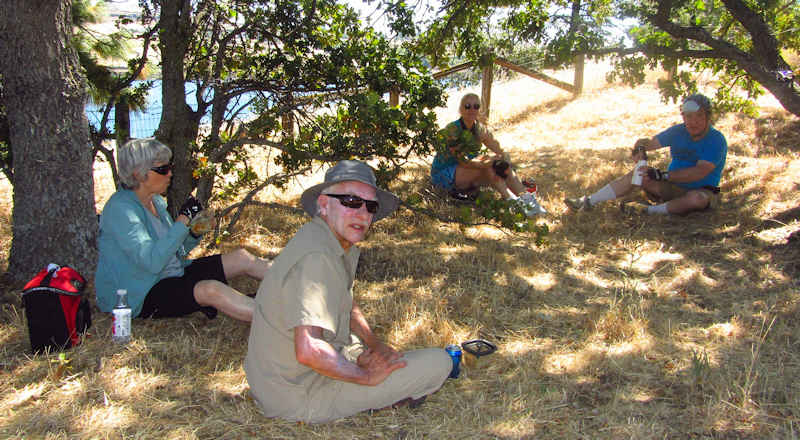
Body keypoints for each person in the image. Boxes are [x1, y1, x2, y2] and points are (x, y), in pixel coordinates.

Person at [245, 160, 452, 423]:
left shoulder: (334, 242)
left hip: (289, 377)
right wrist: (366, 377)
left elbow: (347, 303)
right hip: (299, 396)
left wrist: (375, 345)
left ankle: (367, 378)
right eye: (351, 201)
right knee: (439, 362)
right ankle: (378, 395)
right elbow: (308, 349)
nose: (363, 213)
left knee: (370, 354)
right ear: (323, 204)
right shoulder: (316, 258)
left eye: (370, 206)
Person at [95, 138, 271, 322]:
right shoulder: (120, 209)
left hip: (172, 274)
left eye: (169, 167)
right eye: (162, 169)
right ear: (138, 174)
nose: (170, 173)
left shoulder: (155, 201)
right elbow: (153, 262)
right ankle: (281, 320)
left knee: (241, 257)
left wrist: (195, 232)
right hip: (142, 293)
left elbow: (175, 252)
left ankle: (299, 284)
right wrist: (182, 220)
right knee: (210, 290)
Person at [564, 93, 727, 216]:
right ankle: (588, 202)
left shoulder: (716, 140)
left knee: (697, 199)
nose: (694, 122)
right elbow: (649, 143)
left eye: (699, 116)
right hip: (670, 188)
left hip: (701, 191)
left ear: (708, 117)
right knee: (639, 173)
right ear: (683, 117)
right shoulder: (678, 131)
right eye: (689, 116)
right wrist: (640, 148)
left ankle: (648, 211)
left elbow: (698, 173)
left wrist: (662, 175)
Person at [431, 92, 546, 216]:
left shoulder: (480, 129)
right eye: (467, 106)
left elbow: (498, 148)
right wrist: (488, 163)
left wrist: (504, 159)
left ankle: (530, 204)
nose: (472, 109)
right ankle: (514, 203)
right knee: (489, 166)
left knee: (503, 168)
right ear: (461, 109)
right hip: (445, 174)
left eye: (476, 106)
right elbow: (463, 161)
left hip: (466, 171)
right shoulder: (453, 130)